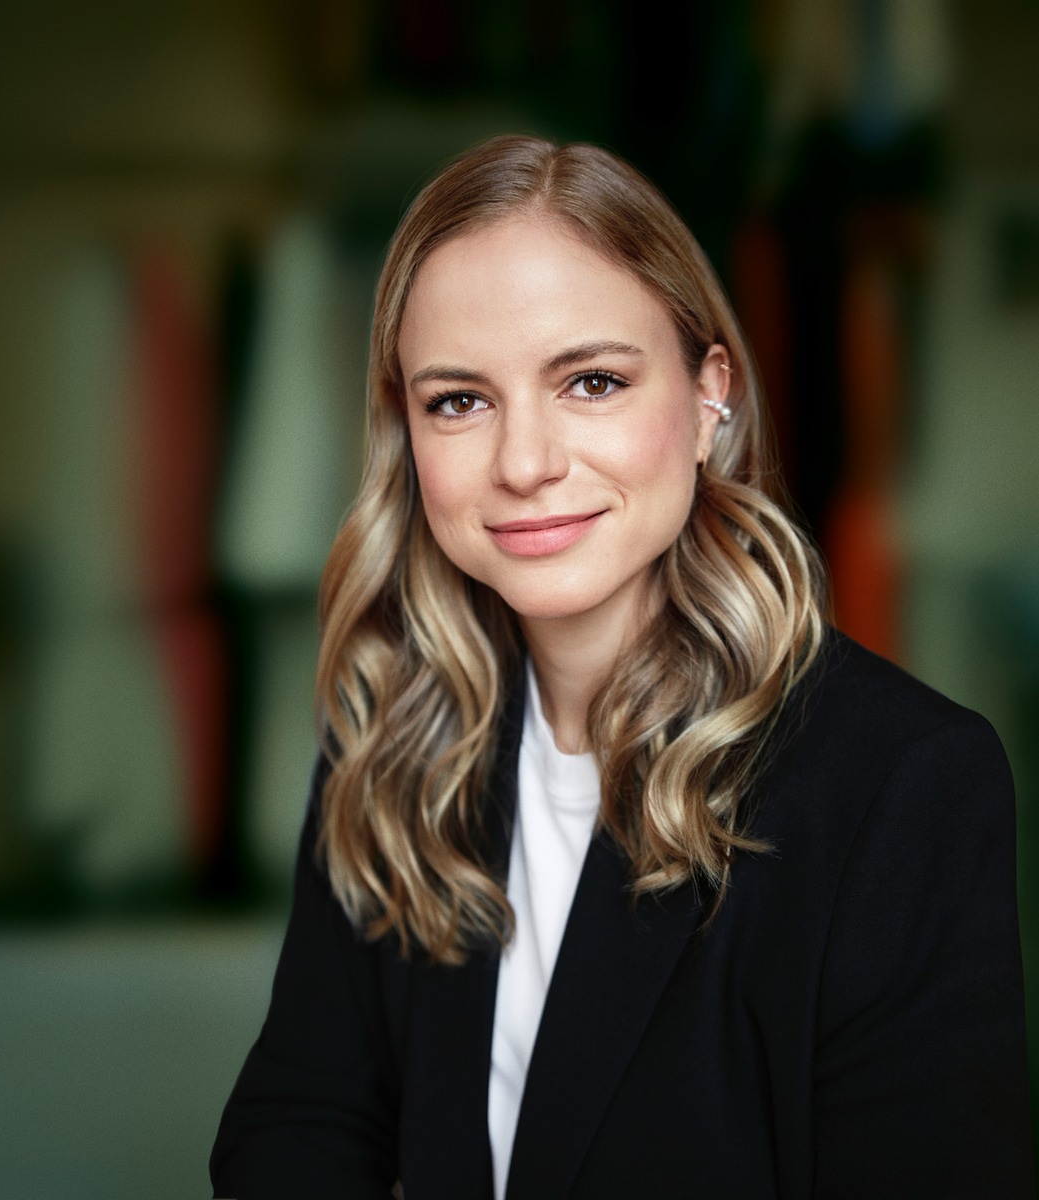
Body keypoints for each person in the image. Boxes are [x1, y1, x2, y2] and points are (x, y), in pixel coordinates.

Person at [210, 136, 1033, 1199]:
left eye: (589, 381)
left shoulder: (901, 783)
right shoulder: (389, 742)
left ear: (707, 399)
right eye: (458, 400)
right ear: (403, 434)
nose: (523, 462)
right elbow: (297, 1127)